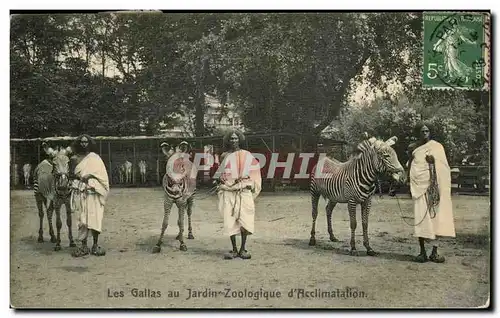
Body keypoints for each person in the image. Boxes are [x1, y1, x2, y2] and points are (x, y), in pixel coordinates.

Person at [408, 123, 455, 263]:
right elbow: (411, 168)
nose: (424, 133)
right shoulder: (414, 149)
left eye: (427, 131)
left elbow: (444, 168)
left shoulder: (437, 147)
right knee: (421, 219)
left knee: (437, 219)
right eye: (422, 131)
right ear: (419, 133)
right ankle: (422, 252)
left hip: (435, 190)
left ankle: (434, 252)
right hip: (420, 189)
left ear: (430, 132)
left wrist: (433, 162)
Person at [216, 129, 262, 260]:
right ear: (228, 141)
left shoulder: (247, 155)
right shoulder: (224, 155)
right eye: (232, 139)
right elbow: (220, 174)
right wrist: (221, 179)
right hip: (229, 192)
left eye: (236, 138)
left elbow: (254, 172)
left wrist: (248, 182)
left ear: (240, 139)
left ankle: (243, 249)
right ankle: (234, 249)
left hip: (243, 191)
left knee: (245, 220)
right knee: (230, 220)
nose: (234, 141)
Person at [70, 134, 110, 257]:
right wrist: (79, 178)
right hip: (81, 192)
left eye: (86, 142)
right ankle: (83, 246)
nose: (83, 144)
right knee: (82, 220)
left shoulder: (95, 158)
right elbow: (71, 175)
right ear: (78, 143)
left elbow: (103, 176)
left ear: (90, 143)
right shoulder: (75, 158)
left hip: (94, 193)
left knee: (94, 218)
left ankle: (95, 245)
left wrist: (91, 176)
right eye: (81, 142)